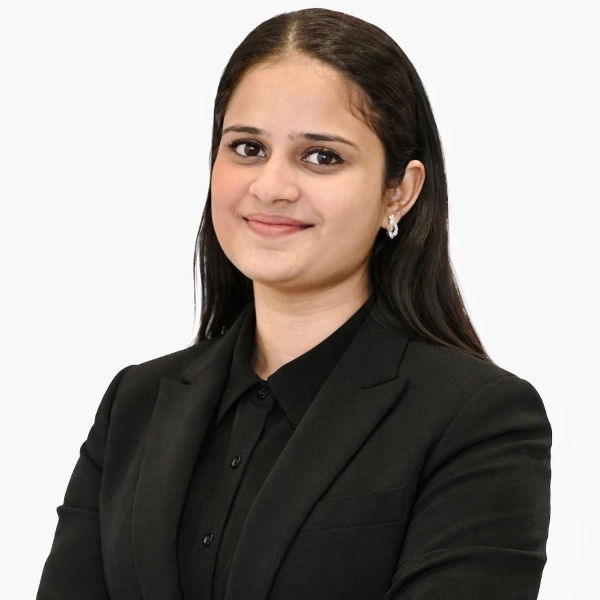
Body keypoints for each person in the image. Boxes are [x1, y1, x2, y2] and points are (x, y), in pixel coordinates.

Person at [36, 7, 552, 600]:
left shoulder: (479, 419)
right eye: (248, 147)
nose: (272, 186)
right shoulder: (136, 404)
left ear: (400, 191)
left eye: (322, 156)